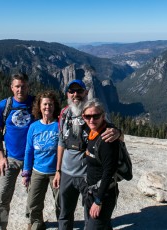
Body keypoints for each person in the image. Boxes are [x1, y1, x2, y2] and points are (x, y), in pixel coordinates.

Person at [53, 79, 122, 230]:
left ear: (85, 93)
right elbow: (61, 142)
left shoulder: (93, 112)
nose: (75, 94)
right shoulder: (65, 113)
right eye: (72, 91)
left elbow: (111, 130)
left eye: (79, 91)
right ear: (68, 94)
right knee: (64, 212)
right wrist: (58, 170)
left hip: (87, 176)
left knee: (90, 215)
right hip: (66, 173)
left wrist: (118, 132)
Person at [0, 73, 35, 229]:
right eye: (17, 86)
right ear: (11, 87)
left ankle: (32, 224)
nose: (20, 89)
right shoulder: (4, 106)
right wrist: (1, 156)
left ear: (28, 87)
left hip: (33, 159)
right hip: (10, 158)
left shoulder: (37, 104)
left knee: (33, 197)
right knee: (2, 197)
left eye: (23, 86)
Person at [22, 91, 61, 230]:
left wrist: (60, 170)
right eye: (45, 104)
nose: (47, 107)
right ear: (39, 106)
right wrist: (26, 172)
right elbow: (28, 151)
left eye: (50, 104)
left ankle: (62, 224)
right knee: (33, 202)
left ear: (54, 106)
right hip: (37, 171)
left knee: (60, 202)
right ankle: (37, 223)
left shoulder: (59, 126)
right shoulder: (33, 127)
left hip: (55, 172)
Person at [82, 99, 120, 230]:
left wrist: (99, 201)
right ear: (83, 117)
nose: (91, 120)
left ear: (103, 116)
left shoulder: (107, 139)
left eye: (96, 116)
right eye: (88, 116)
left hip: (103, 195)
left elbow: (109, 172)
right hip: (91, 192)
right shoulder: (92, 131)